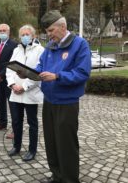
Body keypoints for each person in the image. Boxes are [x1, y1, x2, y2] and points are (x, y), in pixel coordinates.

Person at [35, 10, 91, 183]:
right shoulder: (50, 47)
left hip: (67, 103)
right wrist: (28, 73)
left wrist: (58, 76)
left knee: (66, 144)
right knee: (51, 142)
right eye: (47, 31)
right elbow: (40, 66)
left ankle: (69, 179)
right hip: (49, 101)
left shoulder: (80, 44)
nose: (49, 35)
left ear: (63, 26)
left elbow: (82, 73)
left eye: (51, 30)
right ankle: (57, 176)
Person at [6, 24, 44, 161]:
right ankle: (16, 147)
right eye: (22, 34)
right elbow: (9, 69)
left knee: (32, 122)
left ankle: (32, 150)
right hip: (15, 93)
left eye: (27, 34)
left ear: (33, 36)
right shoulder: (16, 50)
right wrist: (12, 84)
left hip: (30, 93)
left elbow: (38, 73)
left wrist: (24, 87)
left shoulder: (40, 50)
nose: (25, 37)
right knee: (16, 121)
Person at [0, 24, 17, 134]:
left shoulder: (14, 45)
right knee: (1, 102)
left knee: (13, 104)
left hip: (9, 80)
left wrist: (1, 75)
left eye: (4, 30)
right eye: (0, 30)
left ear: (9, 32)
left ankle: (16, 129)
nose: (2, 32)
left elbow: (11, 63)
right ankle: (2, 123)